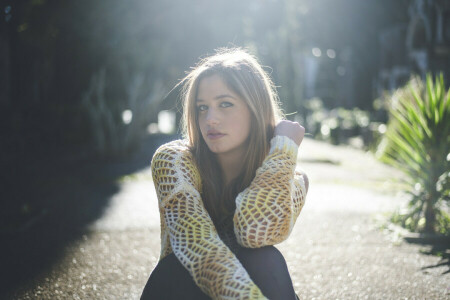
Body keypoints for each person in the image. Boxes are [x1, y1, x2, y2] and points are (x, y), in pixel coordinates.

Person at [141, 48, 308, 300]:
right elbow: (200, 250)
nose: (211, 119)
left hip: (254, 279)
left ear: (256, 109)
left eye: (225, 104)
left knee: (266, 259)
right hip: (184, 288)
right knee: (176, 267)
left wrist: (283, 151)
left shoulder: (290, 178)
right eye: (202, 108)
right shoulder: (174, 161)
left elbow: (254, 231)